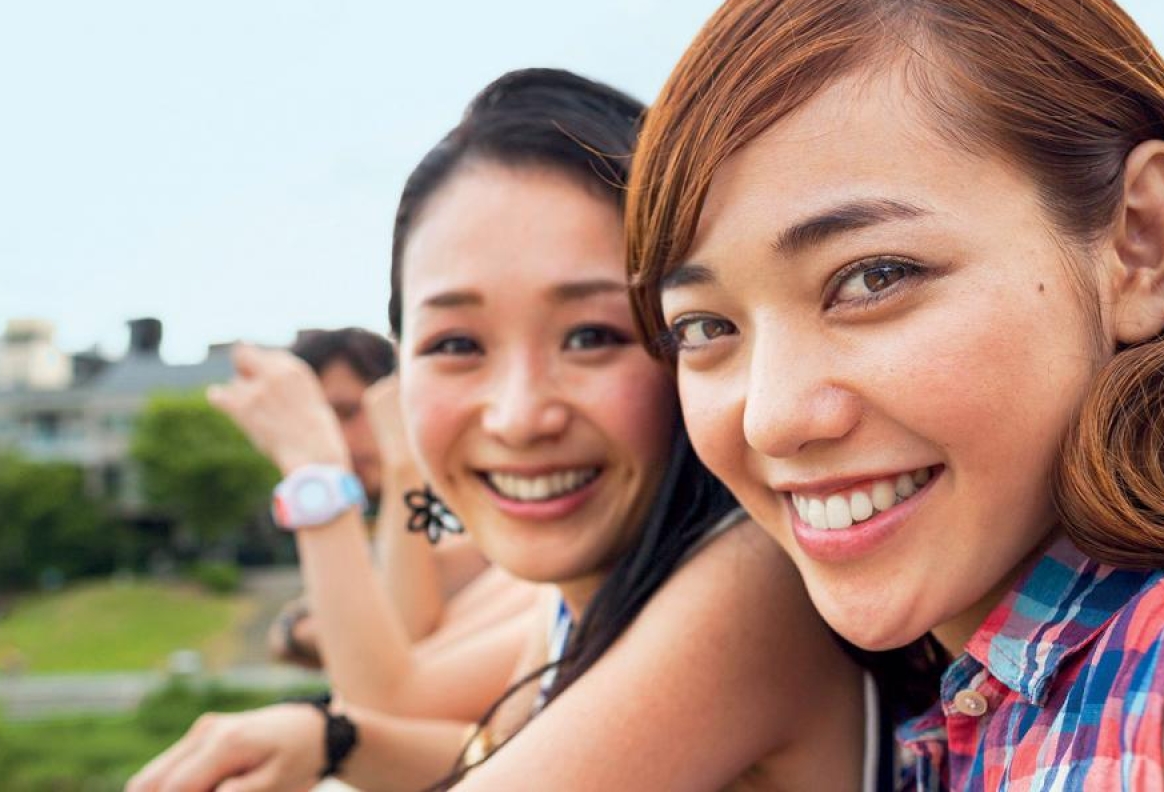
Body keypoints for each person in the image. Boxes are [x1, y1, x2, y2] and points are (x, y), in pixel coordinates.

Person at [127, 68, 877, 792]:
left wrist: (318, 477)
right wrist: (333, 737)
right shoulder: (583, 578)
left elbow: (395, 679)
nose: (520, 417)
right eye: (456, 345)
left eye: (590, 336)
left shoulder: (746, 582)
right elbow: (498, 744)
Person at [626, 0, 1164, 788]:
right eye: (705, 328)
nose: (773, 419)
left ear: (1139, 242)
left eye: (874, 277)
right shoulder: (982, 704)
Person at [267, 328, 525, 669]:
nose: (333, 439)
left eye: (346, 412)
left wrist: (308, 629)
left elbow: (402, 624)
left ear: (396, 398)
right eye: (315, 423)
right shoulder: (393, 505)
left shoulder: (482, 489)